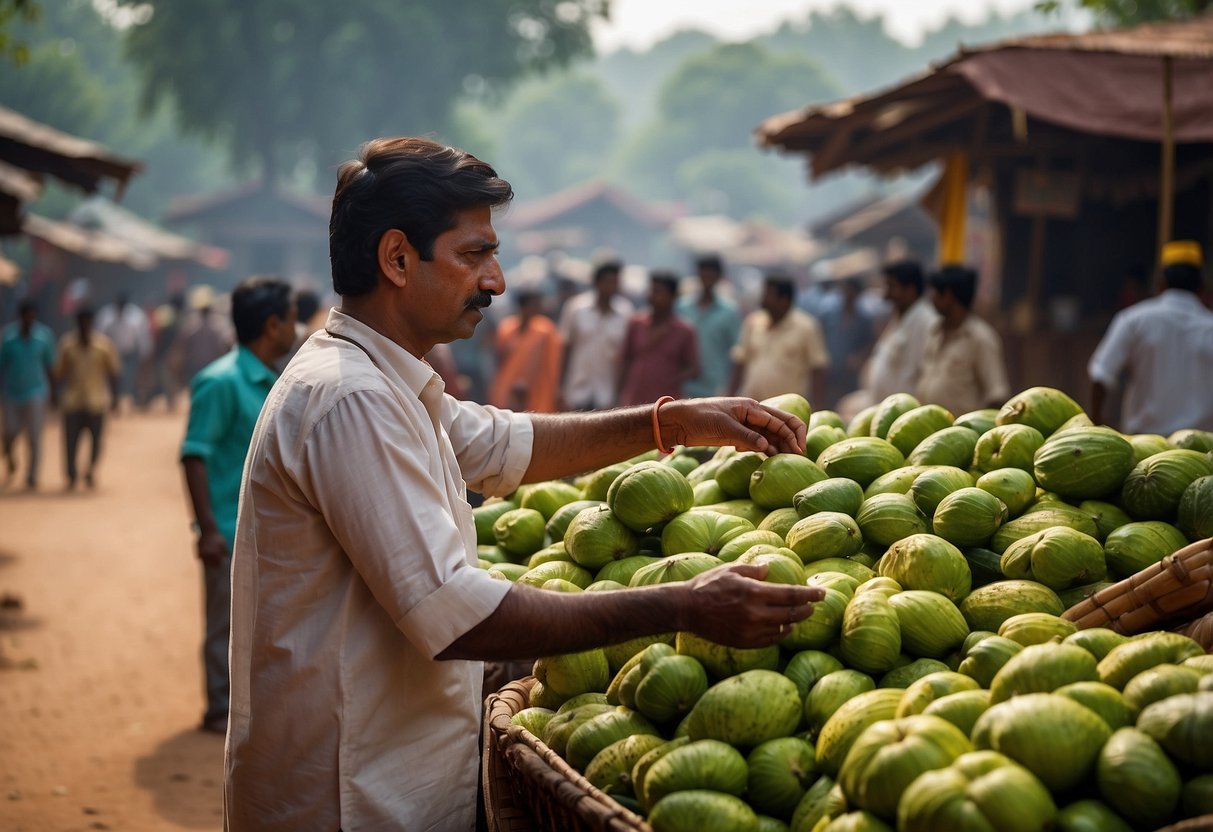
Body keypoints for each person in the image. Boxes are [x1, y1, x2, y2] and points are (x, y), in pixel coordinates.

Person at [223, 137, 823, 832]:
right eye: (474, 254)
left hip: (385, 781)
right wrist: (682, 606)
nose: (496, 281)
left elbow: (501, 443)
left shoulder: (385, 379)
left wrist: (673, 421)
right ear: (396, 259)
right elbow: (456, 612)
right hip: (347, 799)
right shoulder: (350, 397)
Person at [180, 276, 297, 736]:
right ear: (272, 325)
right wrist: (207, 529)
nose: (295, 327)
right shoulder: (220, 382)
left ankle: (242, 706)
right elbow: (194, 454)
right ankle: (218, 707)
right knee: (223, 624)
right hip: (228, 531)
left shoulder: (271, 380)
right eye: (289, 318)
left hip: (262, 533)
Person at [1089, 240, 1213, 434]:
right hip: (1200, 454)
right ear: (1202, 285)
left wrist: (1096, 422)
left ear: (1160, 282)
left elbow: (1100, 376)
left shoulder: (1134, 320)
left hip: (1143, 451)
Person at [916, 264, 1010, 416]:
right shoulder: (934, 332)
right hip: (928, 430)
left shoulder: (980, 338)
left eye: (934, 292)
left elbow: (997, 395)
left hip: (961, 436)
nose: (931, 298)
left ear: (948, 295)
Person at [729, 273, 830, 405]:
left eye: (769, 295)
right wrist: (729, 397)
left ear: (784, 300)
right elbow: (740, 362)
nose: (763, 299)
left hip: (788, 410)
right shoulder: (753, 322)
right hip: (754, 406)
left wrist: (818, 406)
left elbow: (818, 368)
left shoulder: (806, 327)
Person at [55, 307, 119, 489]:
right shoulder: (67, 345)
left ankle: (90, 469)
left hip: (96, 402)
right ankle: (71, 474)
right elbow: (59, 372)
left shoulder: (103, 345)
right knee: (70, 441)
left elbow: (113, 372)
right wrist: (53, 395)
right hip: (72, 401)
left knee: (96, 442)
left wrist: (115, 397)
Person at [558, 259, 633, 410]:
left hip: (607, 393)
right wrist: (559, 387)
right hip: (577, 388)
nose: (611, 287)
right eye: (608, 282)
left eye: (615, 282)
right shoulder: (576, 308)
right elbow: (565, 348)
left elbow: (626, 356)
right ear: (597, 282)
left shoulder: (626, 312)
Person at [618, 271, 700, 406]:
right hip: (634, 400)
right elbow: (626, 360)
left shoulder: (684, 331)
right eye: (651, 291)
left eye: (658, 292)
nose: (652, 296)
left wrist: (669, 377)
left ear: (673, 296)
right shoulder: (636, 324)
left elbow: (694, 369)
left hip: (666, 403)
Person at [0, 300, 56, 489]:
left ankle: (32, 475)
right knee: (9, 432)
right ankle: (10, 458)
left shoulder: (44, 336)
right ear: (21, 316)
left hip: (36, 392)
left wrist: (54, 392)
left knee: (34, 436)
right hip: (12, 393)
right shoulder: (8, 338)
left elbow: (50, 365)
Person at [676, 254, 741, 398]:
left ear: (719, 277)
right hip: (684, 387)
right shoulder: (682, 307)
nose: (707, 279)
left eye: (711, 275)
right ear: (697, 275)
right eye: (703, 274)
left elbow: (737, 353)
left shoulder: (729, 312)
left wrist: (730, 390)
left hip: (715, 388)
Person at [489, 289, 563, 412]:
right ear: (523, 306)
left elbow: (554, 359)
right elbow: (499, 357)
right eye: (534, 304)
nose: (539, 308)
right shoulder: (506, 328)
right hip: (509, 384)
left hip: (537, 386)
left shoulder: (545, 329)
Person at [818, 277, 876, 410]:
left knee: (847, 407)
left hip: (849, 375)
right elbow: (819, 337)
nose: (847, 294)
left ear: (857, 294)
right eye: (845, 290)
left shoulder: (864, 319)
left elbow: (871, 342)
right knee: (827, 406)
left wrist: (860, 358)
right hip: (829, 372)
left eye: (850, 291)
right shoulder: (829, 315)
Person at [95, 292, 152, 410]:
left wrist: (144, 354)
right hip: (111, 353)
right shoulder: (107, 315)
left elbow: (142, 337)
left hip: (129, 354)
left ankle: (130, 404)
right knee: (114, 379)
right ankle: (115, 402)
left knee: (130, 379)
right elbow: (99, 336)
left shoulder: (136, 316)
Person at [174, 286, 233, 385]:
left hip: (195, 371)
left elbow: (181, 351)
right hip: (216, 369)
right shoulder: (220, 324)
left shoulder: (190, 325)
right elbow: (227, 346)